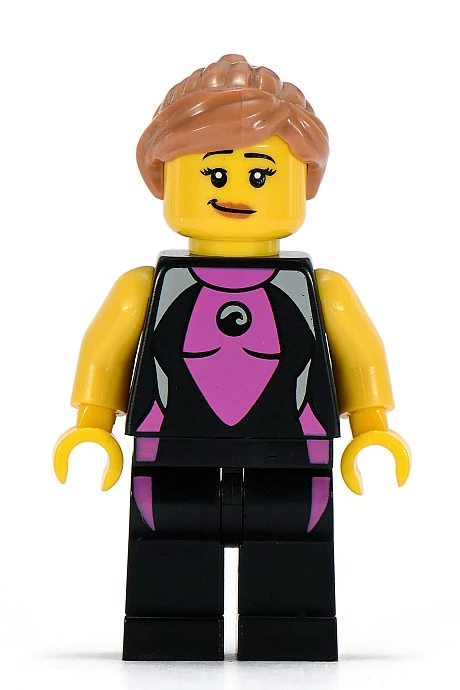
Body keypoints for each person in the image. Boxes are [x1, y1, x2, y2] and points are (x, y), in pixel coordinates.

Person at [54, 54, 411, 661]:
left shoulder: (322, 290)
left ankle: (289, 630)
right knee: (170, 546)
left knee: (291, 549)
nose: (238, 192)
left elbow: (360, 353)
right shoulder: (145, 287)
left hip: (294, 452)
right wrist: (92, 425)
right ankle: (171, 631)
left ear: (303, 182)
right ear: (165, 178)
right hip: (170, 449)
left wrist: (372, 429)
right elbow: (105, 348)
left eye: (262, 175)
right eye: (215, 174)